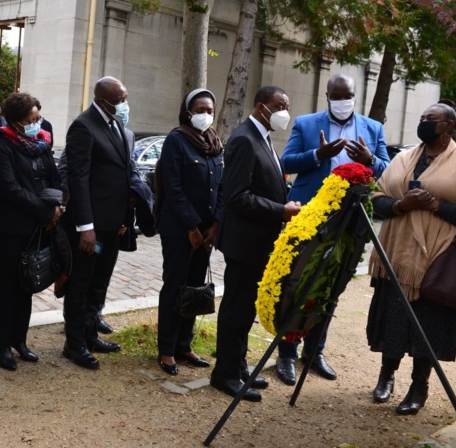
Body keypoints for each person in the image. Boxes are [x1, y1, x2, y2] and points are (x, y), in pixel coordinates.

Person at [366, 102, 456, 415]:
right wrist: (401, 206)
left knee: (429, 325)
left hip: (436, 260)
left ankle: (419, 385)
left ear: (449, 126)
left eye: (430, 119)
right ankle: (387, 376)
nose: (423, 122)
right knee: (394, 318)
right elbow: (376, 200)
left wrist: (437, 205)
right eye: (422, 117)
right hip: (396, 254)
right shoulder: (404, 157)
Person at [277, 73, 390, 385]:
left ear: (355, 96)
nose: (343, 102)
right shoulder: (306, 123)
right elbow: (287, 163)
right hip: (310, 214)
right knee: (297, 281)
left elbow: (387, 171)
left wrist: (369, 160)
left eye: (348, 96)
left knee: (332, 285)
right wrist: (319, 155)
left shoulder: (372, 128)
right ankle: (286, 353)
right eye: (336, 96)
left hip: (350, 220)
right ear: (327, 96)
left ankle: (314, 353)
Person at [212, 86, 300, 402]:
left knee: (246, 309)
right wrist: (282, 210)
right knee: (236, 309)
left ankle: (239, 367)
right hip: (244, 243)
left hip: (260, 242)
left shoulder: (262, 137)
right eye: (280, 105)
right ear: (261, 106)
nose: (284, 112)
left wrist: (285, 200)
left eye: (287, 105)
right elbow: (237, 197)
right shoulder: (244, 139)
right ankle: (224, 374)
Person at [0, 92, 62, 371]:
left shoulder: (40, 140)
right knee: (7, 283)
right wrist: (46, 211)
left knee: (27, 283)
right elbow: (9, 188)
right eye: (31, 119)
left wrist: (58, 206)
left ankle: (20, 340)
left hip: (38, 225)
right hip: (10, 225)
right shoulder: (0, 144)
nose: (36, 123)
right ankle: (2, 344)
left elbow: (54, 176)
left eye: (38, 118)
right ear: (16, 121)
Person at [60, 76, 133, 370]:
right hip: (90, 227)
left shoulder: (119, 127)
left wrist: (126, 219)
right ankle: (74, 343)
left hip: (113, 224)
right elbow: (79, 179)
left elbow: (125, 176)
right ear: (103, 101)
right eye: (120, 100)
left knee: (99, 284)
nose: (125, 105)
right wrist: (85, 226)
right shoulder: (83, 126)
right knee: (81, 284)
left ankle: (90, 335)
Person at [155, 88, 223, 376]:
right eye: (199, 110)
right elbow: (173, 188)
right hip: (180, 230)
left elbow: (221, 187)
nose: (205, 115)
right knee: (175, 287)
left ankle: (185, 344)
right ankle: (167, 350)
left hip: (206, 232)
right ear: (187, 112)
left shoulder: (215, 143)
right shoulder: (177, 140)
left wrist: (215, 224)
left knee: (195, 287)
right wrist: (192, 227)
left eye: (209, 110)